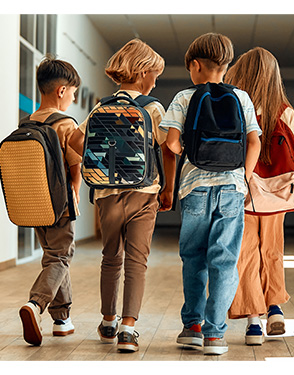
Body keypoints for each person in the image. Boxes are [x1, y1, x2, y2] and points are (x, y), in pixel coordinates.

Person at [68, 39, 176, 352]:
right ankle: (128, 329)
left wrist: (100, 163)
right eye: (154, 74)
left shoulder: (102, 106)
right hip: (143, 193)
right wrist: (168, 187)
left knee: (110, 258)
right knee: (137, 261)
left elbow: (75, 139)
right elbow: (168, 146)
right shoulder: (152, 108)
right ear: (143, 72)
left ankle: (107, 320)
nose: (155, 80)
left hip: (105, 195)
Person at [160, 32, 261, 355]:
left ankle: (192, 326)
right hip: (232, 187)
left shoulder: (184, 97)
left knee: (194, 258)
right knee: (225, 259)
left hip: (195, 188)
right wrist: (242, 177)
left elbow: (171, 143)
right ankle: (215, 334)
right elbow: (255, 142)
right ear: (226, 66)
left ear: (194, 65)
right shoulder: (242, 97)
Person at [225, 47, 294, 345]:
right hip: (277, 193)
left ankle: (253, 321)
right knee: (273, 249)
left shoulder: (236, 106)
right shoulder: (285, 111)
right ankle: (275, 308)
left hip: (243, 191)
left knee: (245, 253)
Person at [18, 55, 82, 346]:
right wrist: (76, 193)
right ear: (61, 91)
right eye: (73, 92)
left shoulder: (26, 122)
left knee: (54, 256)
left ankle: (62, 319)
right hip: (59, 203)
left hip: (32, 202)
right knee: (60, 256)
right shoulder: (65, 124)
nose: (72, 98)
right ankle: (36, 304)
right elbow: (75, 166)